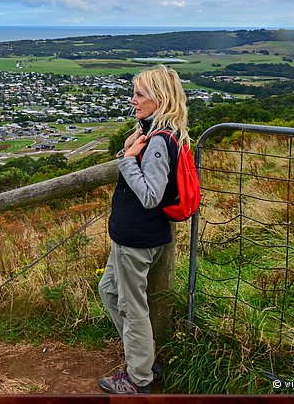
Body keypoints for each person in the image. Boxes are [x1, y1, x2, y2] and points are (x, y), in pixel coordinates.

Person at [97, 64, 190, 394]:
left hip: (137, 239)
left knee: (132, 308)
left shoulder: (157, 143)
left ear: (159, 98)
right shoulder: (153, 134)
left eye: (140, 94)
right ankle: (144, 358)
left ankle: (139, 378)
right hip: (132, 235)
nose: (133, 100)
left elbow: (151, 195)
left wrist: (125, 161)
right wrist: (128, 151)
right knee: (108, 291)